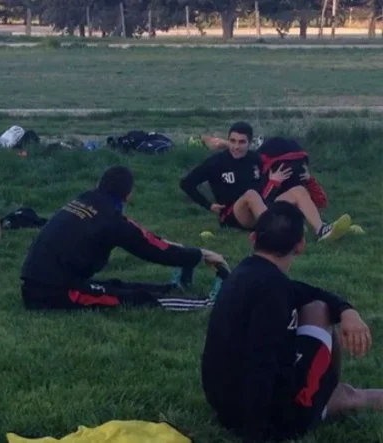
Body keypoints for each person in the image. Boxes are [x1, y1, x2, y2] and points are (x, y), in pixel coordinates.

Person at [201, 201, 382, 442]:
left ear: (253, 239)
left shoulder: (246, 273)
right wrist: (258, 434)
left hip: (225, 404)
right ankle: (321, 395)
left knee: (317, 305)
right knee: (319, 310)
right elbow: (261, 363)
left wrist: (347, 310)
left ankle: (329, 393)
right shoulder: (273, 292)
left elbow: (304, 291)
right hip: (270, 419)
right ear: (300, 245)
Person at [19, 166, 229, 311]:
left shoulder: (85, 199)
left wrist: (188, 252)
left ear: (98, 184)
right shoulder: (111, 221)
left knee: (117, 284)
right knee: (134, 298)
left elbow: (145, 237)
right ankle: (206, 303)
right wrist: (201, 255)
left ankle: (172, 288)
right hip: (51, 293)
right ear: (128, 196)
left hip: (41, 282)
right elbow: (152, 249)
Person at [180, 122, 350, 241]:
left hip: (261, 207)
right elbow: (186, 184)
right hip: (235, 213)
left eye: (241, 142)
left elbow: (269, 189)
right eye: (232, 141)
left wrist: (304, 177)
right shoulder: (215, 162)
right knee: (251, 194)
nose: (236, 146)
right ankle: (274, 235)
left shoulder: (257, 159)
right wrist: (208, 205)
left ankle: (322, 230)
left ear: (249, 143)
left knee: (298, 190)